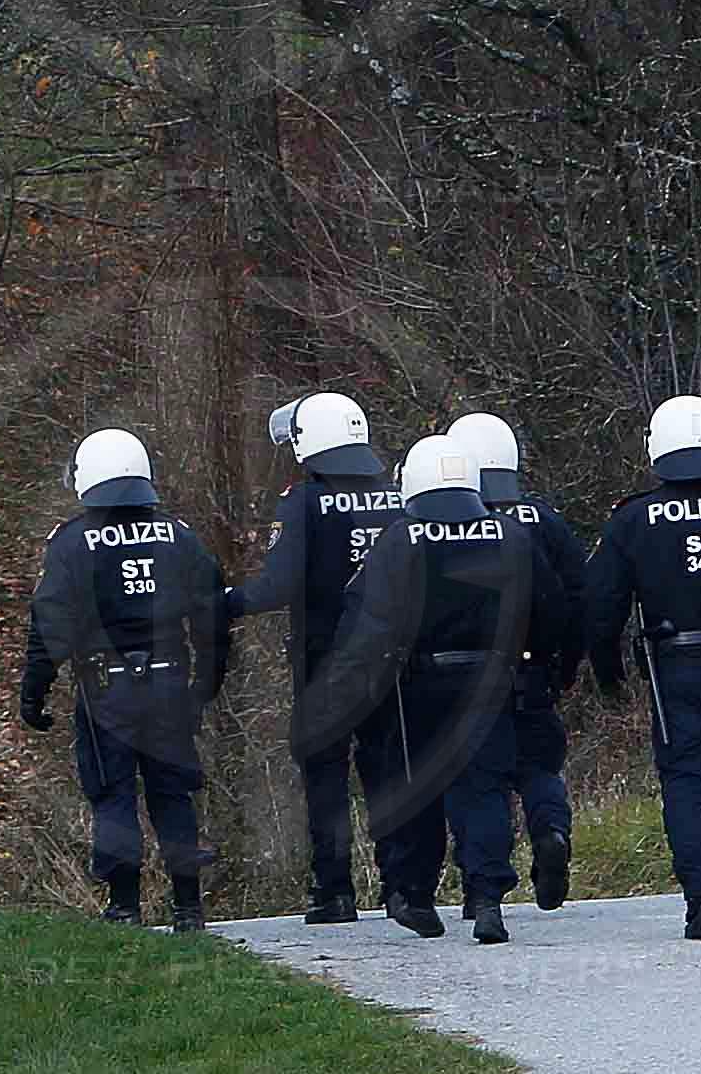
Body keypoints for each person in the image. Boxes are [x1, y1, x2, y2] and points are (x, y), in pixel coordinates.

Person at [576, 393, 701, 940]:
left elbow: (599, 609)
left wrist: (608, 674)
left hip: (675, 672)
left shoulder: (633, 519)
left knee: (687, 782)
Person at [15, 426, 229, 927]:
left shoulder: (71, 543)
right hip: (170, 682)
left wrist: (34, 694)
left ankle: (125, 907)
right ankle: (189, 907)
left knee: (113, 795)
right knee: (171, 792)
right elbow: (214, 616)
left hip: (106, 688)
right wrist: (205, 684)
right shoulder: (179, 536)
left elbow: (50, 628)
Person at [229, 394, 420, 927]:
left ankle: (334, 890)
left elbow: (279, 585)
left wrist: (221, 604)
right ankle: (401, 886)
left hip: (325, 662)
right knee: (386, 771)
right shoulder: (396, 495)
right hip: (388, 658)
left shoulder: (303, 501)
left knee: (326, 777)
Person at [390, 427, 551, 941]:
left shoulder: (399, 538)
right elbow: (549, 605)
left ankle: (415, 895)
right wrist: (543, 668)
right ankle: (486, 900)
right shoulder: (509, 534)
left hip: (421, 685)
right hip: (490, 680)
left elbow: (362, 615)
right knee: (483, 788)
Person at [447, 408, 601, 907]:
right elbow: (576, 597)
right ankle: (551, 831)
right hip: (533, 668)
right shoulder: (543, 522)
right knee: (538, 767)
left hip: (468, 676)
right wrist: (565, 665)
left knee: (480, 781)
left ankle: (483, 889)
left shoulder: (441, 528)